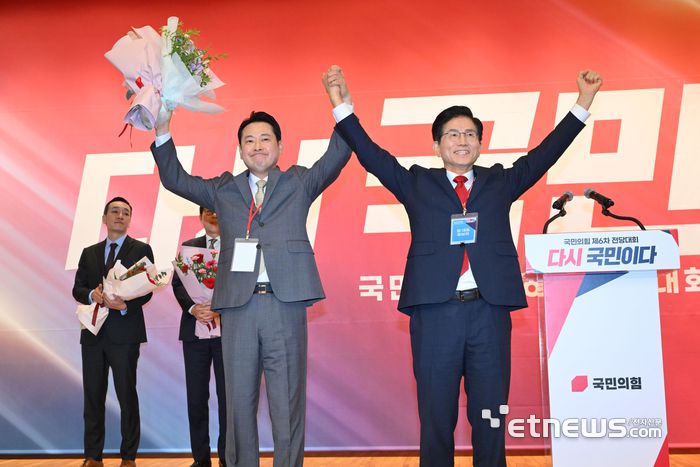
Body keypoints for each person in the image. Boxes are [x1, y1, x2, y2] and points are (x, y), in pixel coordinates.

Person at [322, 66, 602, 467]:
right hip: (436, 313)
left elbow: (546, 154)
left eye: (470, 134)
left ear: (480, 144)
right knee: (436, 415)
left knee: (490, 415)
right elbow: (371, 155)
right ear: (437, 145)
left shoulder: (501, 181)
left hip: (488, 311)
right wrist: (340, 105)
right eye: (452, 134)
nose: (462, 140)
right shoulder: (416, 182)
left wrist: (583, 102)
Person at [151, 108, 352, 467]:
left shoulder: (298, 182)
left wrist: (341, 107)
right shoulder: (223, 189)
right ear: (240, 150)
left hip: (284, 305)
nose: (257, 146)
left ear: (280, 146)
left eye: (264, 139)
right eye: (249, 141)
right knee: (238, 403)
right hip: (239, 310)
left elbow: (336, 157)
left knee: (287, 402)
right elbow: (175, 179)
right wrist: (163, 129)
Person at [72, 197, 154, 467]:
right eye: (115, 211)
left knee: (126, 395)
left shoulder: (141, 249)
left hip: (125, 335)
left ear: (130, 220)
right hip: (93, 334)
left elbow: (147, 290)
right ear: (104, 218)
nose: (120, 215)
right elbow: (78, 288)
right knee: (93, 396)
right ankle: (93, 456)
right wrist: (91, 294)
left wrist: (125, 304)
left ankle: (128, 457)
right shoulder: (89, 252)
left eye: (126, 212)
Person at [172, 207, 227, 467]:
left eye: (217, 210)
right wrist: (194, 308)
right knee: (196, 398)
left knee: (228, 399)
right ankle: (201, 459)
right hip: (194, 332)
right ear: (200, 216)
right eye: (207, 211)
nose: (213, 215)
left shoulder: (237, 245)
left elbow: (243, 283)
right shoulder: (188, 248)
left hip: (228, 333)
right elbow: (178, 284)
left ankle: (228, 457)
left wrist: (220, 306)